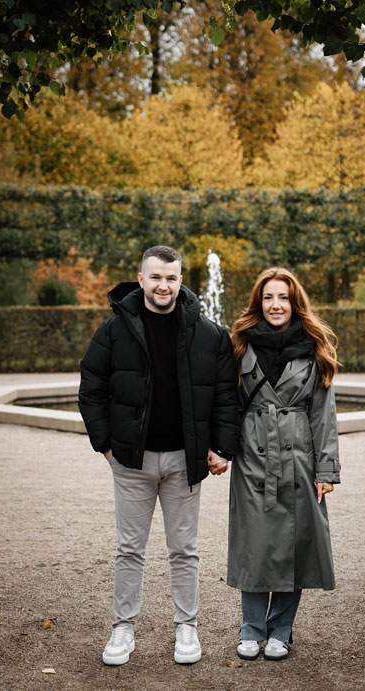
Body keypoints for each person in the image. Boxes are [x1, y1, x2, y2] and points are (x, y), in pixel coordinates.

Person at [79, 245, 240, 666]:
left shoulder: (210, 334)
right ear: (141, 279)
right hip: (131, 461)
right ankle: (122, 629)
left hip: (184, 463)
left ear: (181, 281)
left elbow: (225, 395)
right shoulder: (113, 330)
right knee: (129, 549)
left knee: (184, 550)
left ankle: (187, 627)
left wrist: (222, 447)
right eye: (155, 277)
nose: (163, 285)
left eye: (171, 278)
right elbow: (91, 387)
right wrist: (107, 445)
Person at [225, 267, 342, 662]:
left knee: (296, 546)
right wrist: (220, 450)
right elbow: (228, 406)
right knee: (253, 546)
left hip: (298, 461)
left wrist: (326, 471)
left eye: (284, 298)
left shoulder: (316, 346)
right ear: (259, 303)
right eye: (269, 298)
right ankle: (251, 628)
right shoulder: (240, 344)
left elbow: (324, 415)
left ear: (296, 303)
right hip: (252, 458)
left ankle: (281, 629)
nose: (276, 305)